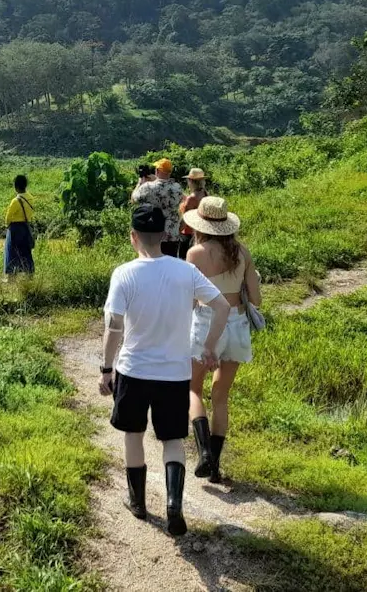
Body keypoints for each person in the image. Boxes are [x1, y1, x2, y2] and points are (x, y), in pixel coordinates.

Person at [99, 204, 231, 537]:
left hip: (133, 370)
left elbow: (114, 326)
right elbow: (221, 305)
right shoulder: (184, 271)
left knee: (133, 435)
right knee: (172, 440)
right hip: (174, 373)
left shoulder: (124, 273)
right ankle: (174, 505)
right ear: (164, 236)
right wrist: (209, 346)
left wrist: (106, 369)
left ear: (133, 237)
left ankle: (138, 503)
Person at [184, 196, 259, 485]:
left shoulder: (196, 254)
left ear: (200, 225)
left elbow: (190, 299)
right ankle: (214, 466)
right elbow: (256, 299)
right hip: (238, 324)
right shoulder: (243, 252)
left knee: (193, 388)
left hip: (207, 321)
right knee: (221, 395)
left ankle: (204, 453)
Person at [131, 159, 185, 257]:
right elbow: (182, 199)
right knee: (171, 262)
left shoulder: (147, 187)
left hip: (152, 234)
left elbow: (134, 199)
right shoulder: (177, 188)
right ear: (170, 172)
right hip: (172, 234)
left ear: (157, 171)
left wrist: (140, 183)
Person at [3, 174, 35, 277]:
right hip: (26, 228)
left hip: (15, 229)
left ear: (16, 187)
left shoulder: (15, 201)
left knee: (12, 254)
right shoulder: (31, 198)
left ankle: (11, 278)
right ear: (25, 185)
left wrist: (7, 226)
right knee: (26, 252)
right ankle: (29, 276)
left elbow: (8, 218)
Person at [178, 168, 208, 259]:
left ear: (191, 181)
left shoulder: (192, 198)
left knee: (184, 260)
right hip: (199, 232)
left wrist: (176, 231)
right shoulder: (205, 193)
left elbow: (185, 220)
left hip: (188, 234)